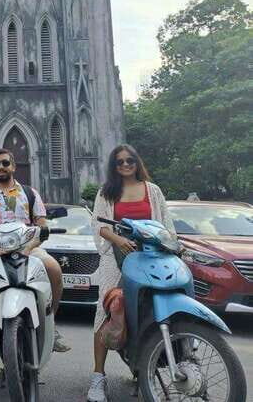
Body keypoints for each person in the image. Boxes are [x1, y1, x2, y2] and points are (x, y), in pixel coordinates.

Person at [86, 145, 176, 402]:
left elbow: (166, 226)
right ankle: (98, 377)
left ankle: (144, 370)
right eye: (120, 162)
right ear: (113, 166)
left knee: (149, 311)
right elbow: (99, 225)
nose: (125, 165)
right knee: (105, 310)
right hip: (116, 259)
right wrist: (119, 240)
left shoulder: (152, 190)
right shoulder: (107, 192)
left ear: (137, 162)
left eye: (130, 160)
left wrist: (172, 246)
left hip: (150, 258)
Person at [0, 148, 70, 352]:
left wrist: (28, 248)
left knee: (53, 269)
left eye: (5, 163)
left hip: (26, 246)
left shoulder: (30, 193)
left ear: (13, 166)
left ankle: (50, 323)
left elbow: (41, 226)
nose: (1, 167)